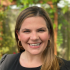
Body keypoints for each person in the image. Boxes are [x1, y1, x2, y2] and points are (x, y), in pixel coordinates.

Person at [0, 6, 70, 70]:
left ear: (49, 33)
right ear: (18, 35)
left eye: (41, 30)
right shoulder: (6, 63)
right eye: (27, 31)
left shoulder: (65, 67)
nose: (34, 37)